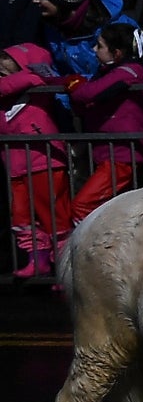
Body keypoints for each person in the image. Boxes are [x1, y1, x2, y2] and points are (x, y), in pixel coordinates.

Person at [65, 22, 143, 228]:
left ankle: (89, 249)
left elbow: (88, 93)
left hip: (121, 155)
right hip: (107, 154)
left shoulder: (131, 71)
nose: (94, 50)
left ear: (117, 53)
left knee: (82, 206)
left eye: (99, 46)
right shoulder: (107, 73)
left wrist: (75, 86)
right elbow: (85, 104)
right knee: (108, 208)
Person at [1, 43, 70, 280]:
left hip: (44, 159)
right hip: (14, 162)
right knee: (21, 215)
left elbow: (47, 82)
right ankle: (37, 260)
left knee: (54, 215)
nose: (0, 64)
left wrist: (30, 75)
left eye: (6, 59)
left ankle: (63, 267)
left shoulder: (41, 82)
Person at [33, 0, 130, 79]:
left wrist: (77, 85)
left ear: (63, 2)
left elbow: (130, 73)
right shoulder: (50, 25)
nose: (35, 0)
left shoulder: (119, 28)